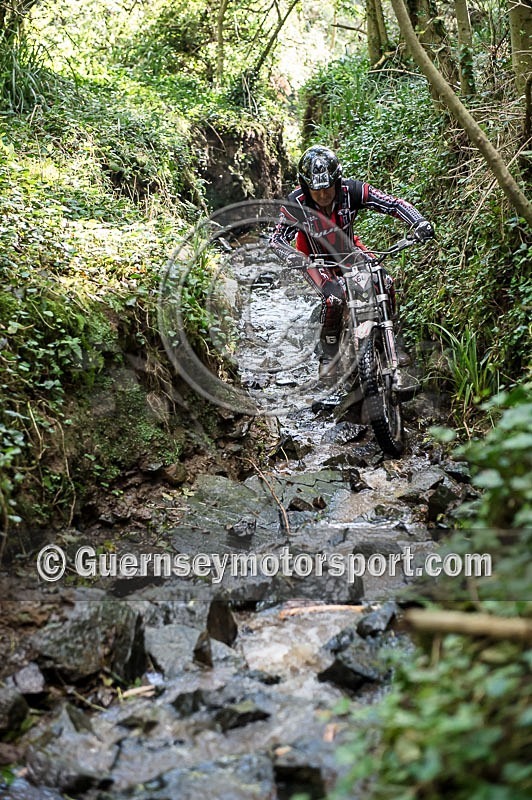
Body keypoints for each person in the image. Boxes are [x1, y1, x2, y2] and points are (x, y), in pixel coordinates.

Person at [270, 145, 434, 379]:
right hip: (314, 259)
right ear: (306, 187)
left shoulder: (352, 191)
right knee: (334, 299)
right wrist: (292, 256)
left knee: (384, 280)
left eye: (328, 188)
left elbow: (392, 203)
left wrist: (418, 222)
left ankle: (391, 340)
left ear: (337, 182)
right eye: (316, 191)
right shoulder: (296, 203)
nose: (323, 196)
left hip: (348, 251)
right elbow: (276, 239)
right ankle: (328, 354)